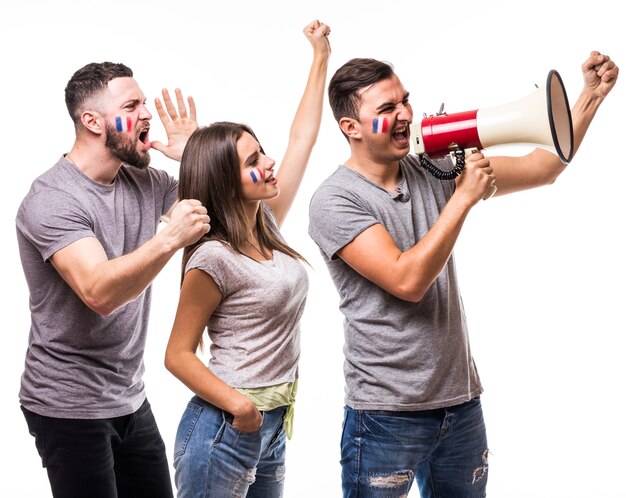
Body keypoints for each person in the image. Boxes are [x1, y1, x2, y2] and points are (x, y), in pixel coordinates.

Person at [308, 51, 618, 497]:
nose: (405, 115)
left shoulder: (433, 168)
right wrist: (463, 197)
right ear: (350, 128)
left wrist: (589, 97)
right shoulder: (334, 201)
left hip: (460, 404)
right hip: (386, 413)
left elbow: (543, 167)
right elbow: (407, 281)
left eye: (405, 101)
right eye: (387, 109)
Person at [15, 62, 210, 498]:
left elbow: (230, 206)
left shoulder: (145, 181)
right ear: (92, 121)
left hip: (129, 398)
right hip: (67, 405)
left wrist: (196, 153)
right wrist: (169, 239)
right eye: (132, 105)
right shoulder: (51, 199)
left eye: (144, 103)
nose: (147, 114)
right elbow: (99, 292)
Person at [163, 19, 331, 498]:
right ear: (225, 181)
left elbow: (302, 139)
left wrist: (320, 57)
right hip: (224, 431)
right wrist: (241, 408)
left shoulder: (267, 223)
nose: (270, 163)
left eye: (262, 152)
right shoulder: (212, 257)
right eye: (253, 161)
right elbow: (177, 354)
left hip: (272, 426)